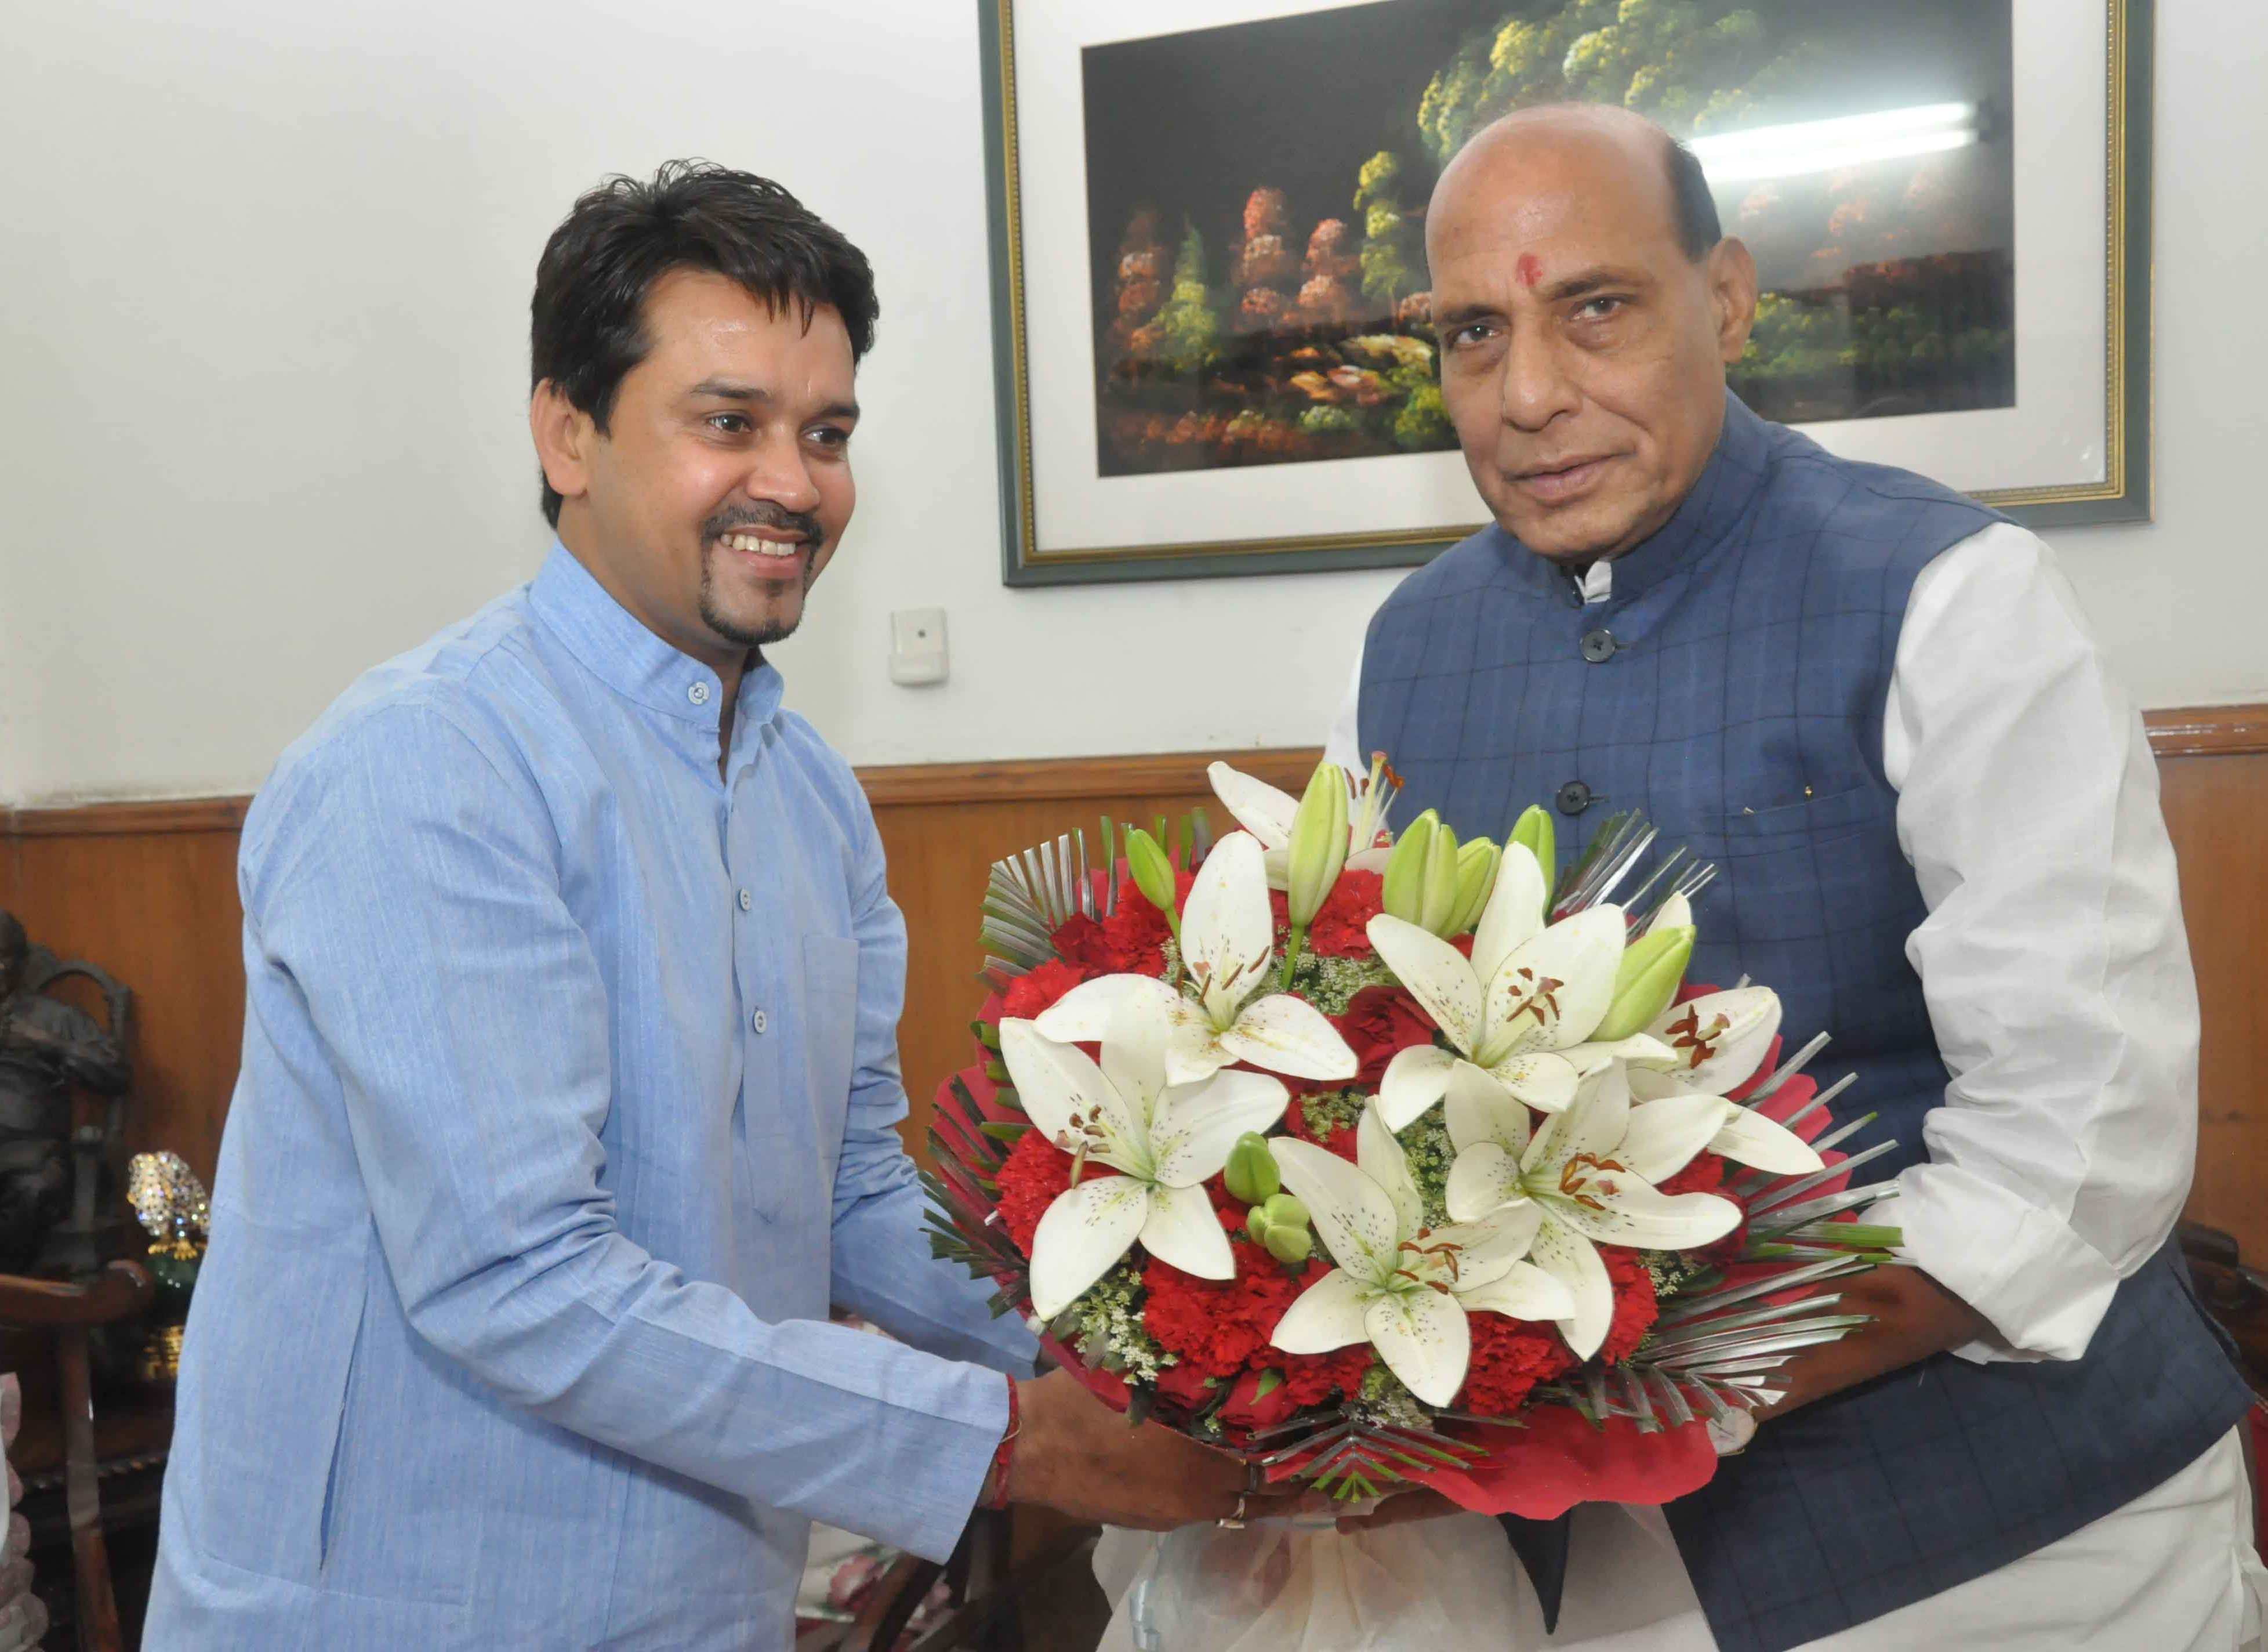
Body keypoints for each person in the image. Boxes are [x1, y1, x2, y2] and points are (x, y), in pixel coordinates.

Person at [146, 162, 1254, 1651]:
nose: (792, 482)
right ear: (567, 432)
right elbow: (518, 1281)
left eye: (828, 432)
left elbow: (855, 1193)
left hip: (698, 1601)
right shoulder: (426, 763)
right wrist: (1020, 1437)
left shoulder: (810, 799)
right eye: (727, 421)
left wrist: (1176, 1359)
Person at [1301, 105, 2263, 1650]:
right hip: (1589, 1551)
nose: (1530, 393)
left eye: (1596, 308)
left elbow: (2078, 1144)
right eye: (1474, 334)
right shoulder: (1403, 652)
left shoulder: (1950, 593)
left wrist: (1665, 1386)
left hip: (2017, 1543)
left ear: (1731, 297)